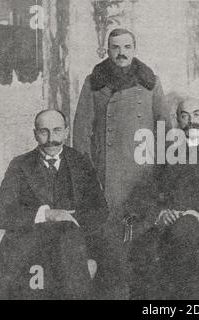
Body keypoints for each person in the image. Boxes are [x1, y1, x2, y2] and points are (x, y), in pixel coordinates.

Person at [73, 28, 171, 298]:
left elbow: (165, 130)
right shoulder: (94, 82)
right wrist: (87, 175)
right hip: (108, 174)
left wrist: (163, 172)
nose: (121, 52)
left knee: (142, 239)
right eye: (115, 47)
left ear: (134, 49)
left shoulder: (150, 82)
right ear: (108, 50)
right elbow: (81, 132)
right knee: (111, 240)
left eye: (127, 47)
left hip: (143, 172)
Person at [127, 97, 199, 299]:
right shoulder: (166, 157)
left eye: (197, 114)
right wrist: (161, 214)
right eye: (185, 115)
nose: (191, 120)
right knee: (141, 249)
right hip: (168, 228)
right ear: (178, 121)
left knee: (186, 232)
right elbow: (148, 196)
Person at [0, 109, 109, 299]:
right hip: (31, 252)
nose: (51, 139)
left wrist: (70, 222)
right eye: (44, 132)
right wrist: (46, 214)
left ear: (66, 132)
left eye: (57, 131)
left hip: (72, 249)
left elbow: (100, 210)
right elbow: (0, 214)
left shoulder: (81, 162)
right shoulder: (20, 165)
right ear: (35, 134)